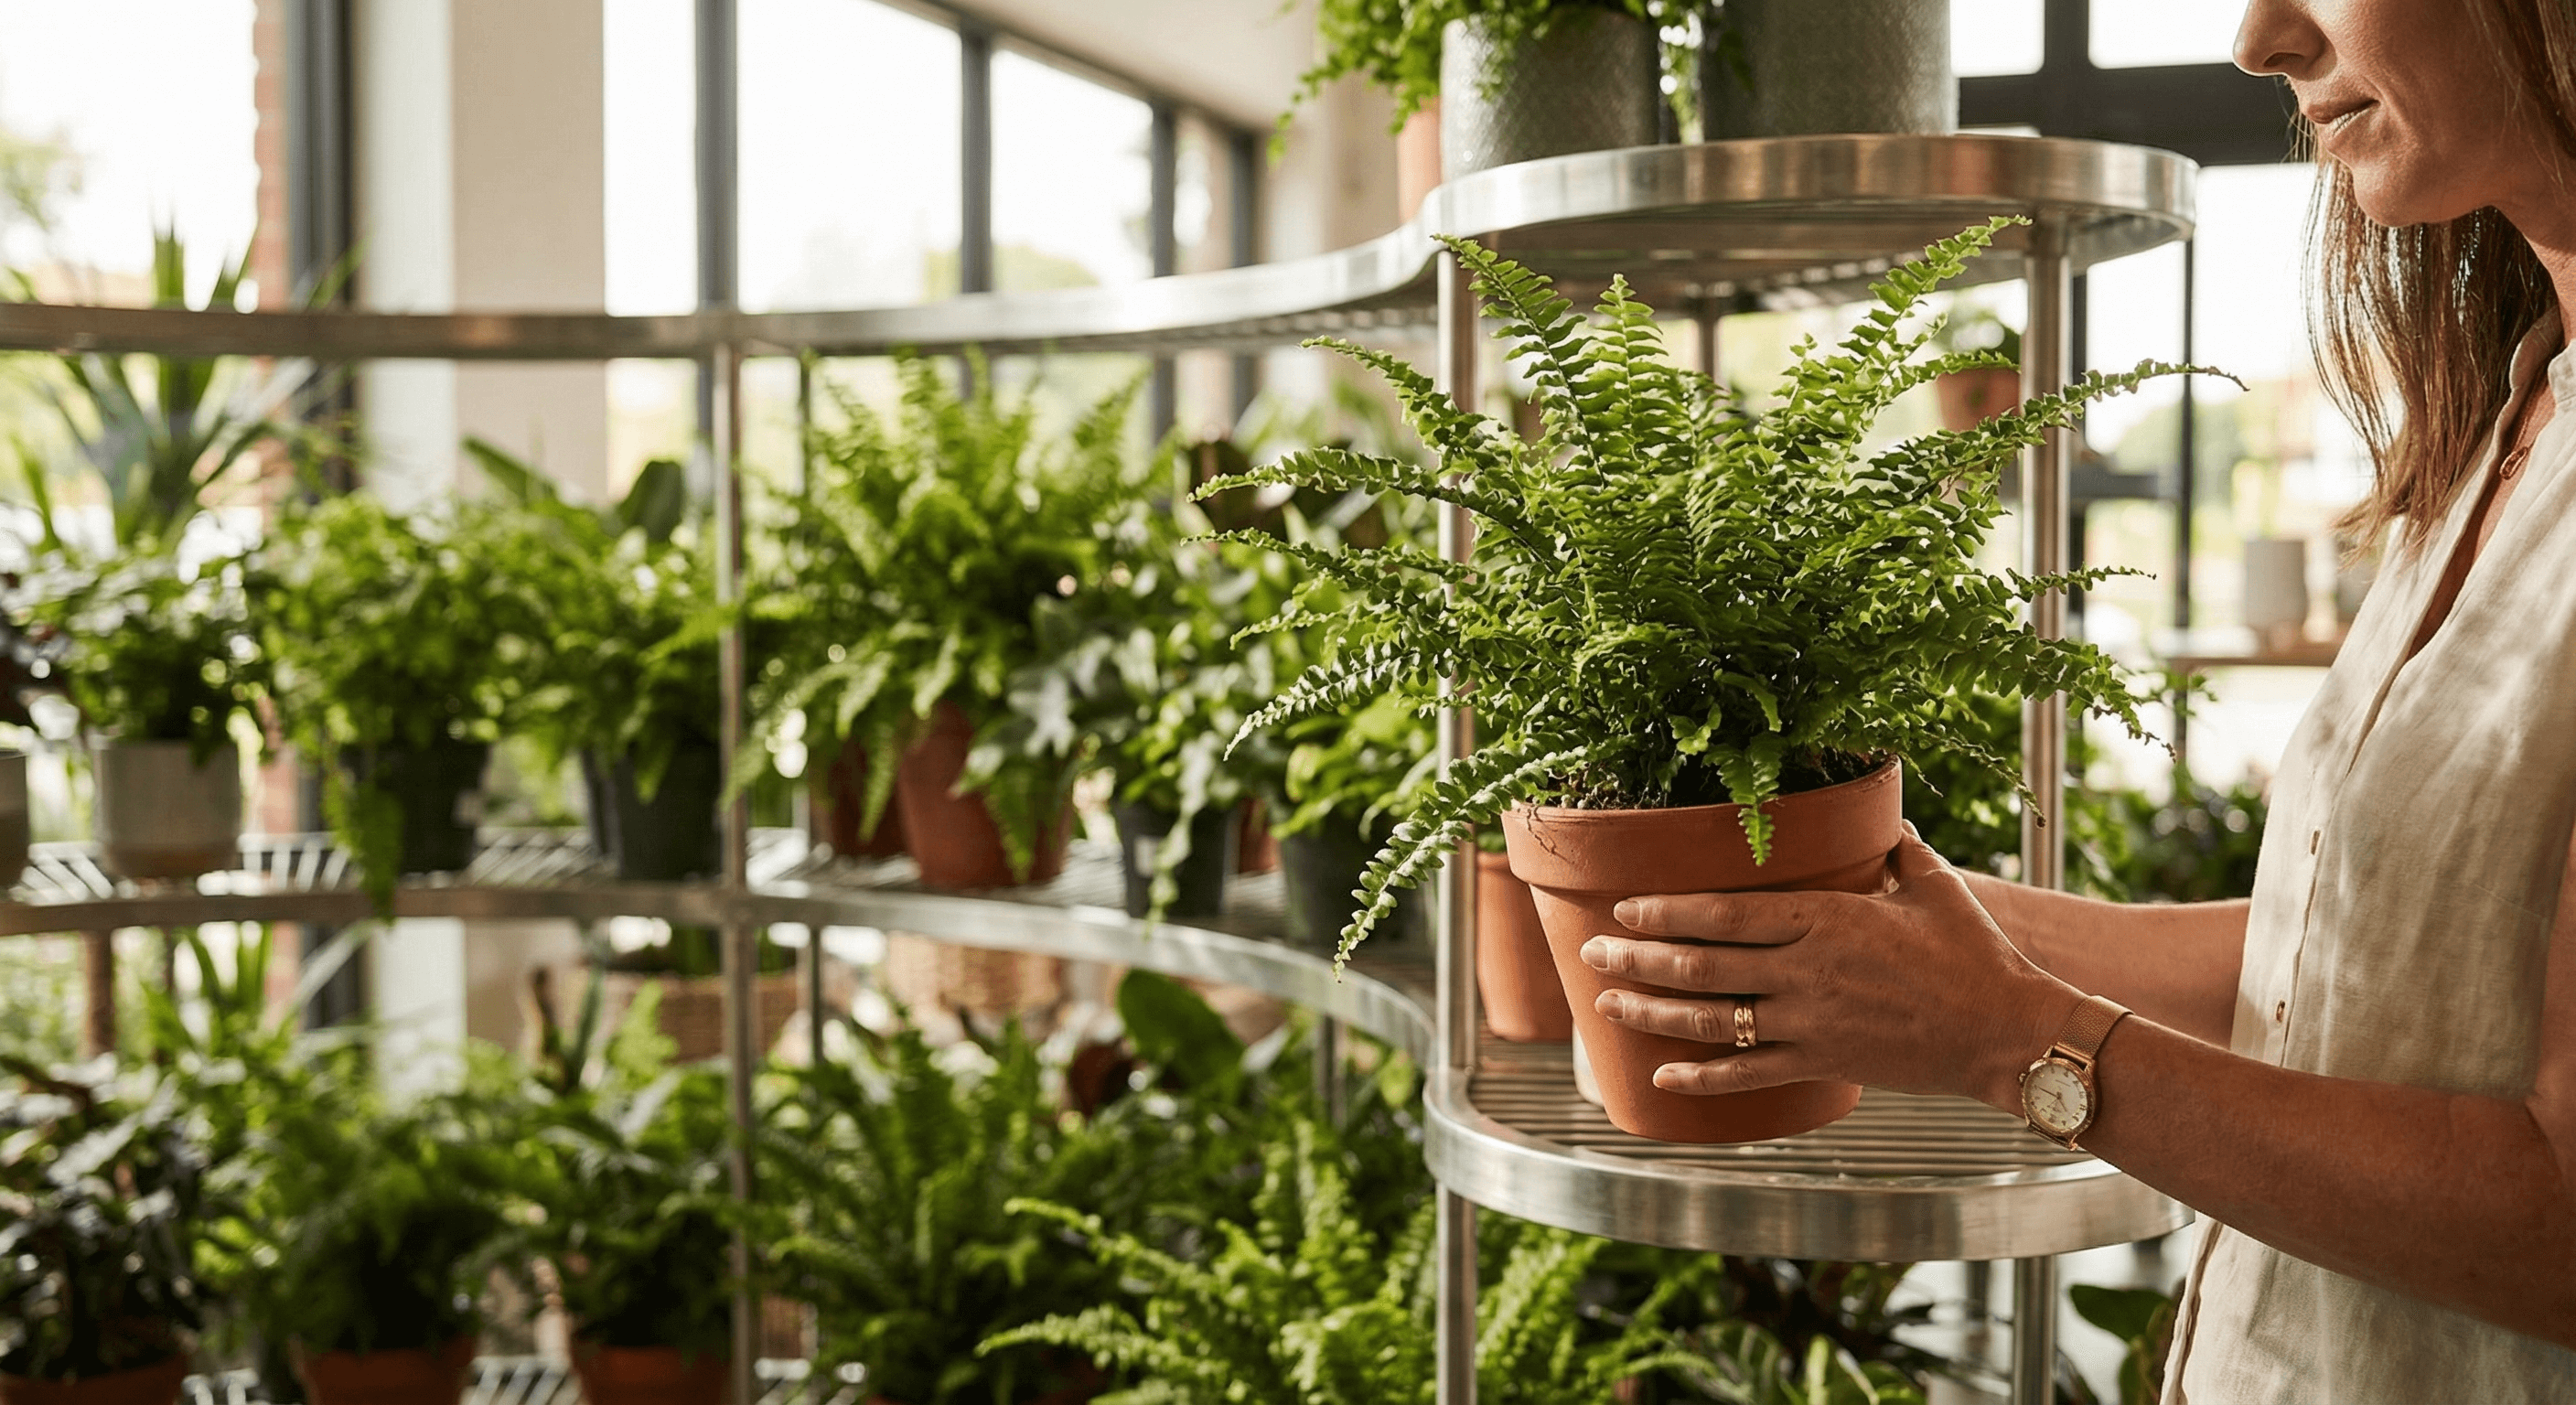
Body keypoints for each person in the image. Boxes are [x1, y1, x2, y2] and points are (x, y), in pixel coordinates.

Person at [1572, 1, 2576, 1400]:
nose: (2260, 38)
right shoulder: (2514, 410)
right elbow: (2387, 964)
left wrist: (2007, 1036)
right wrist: (1905, 930)